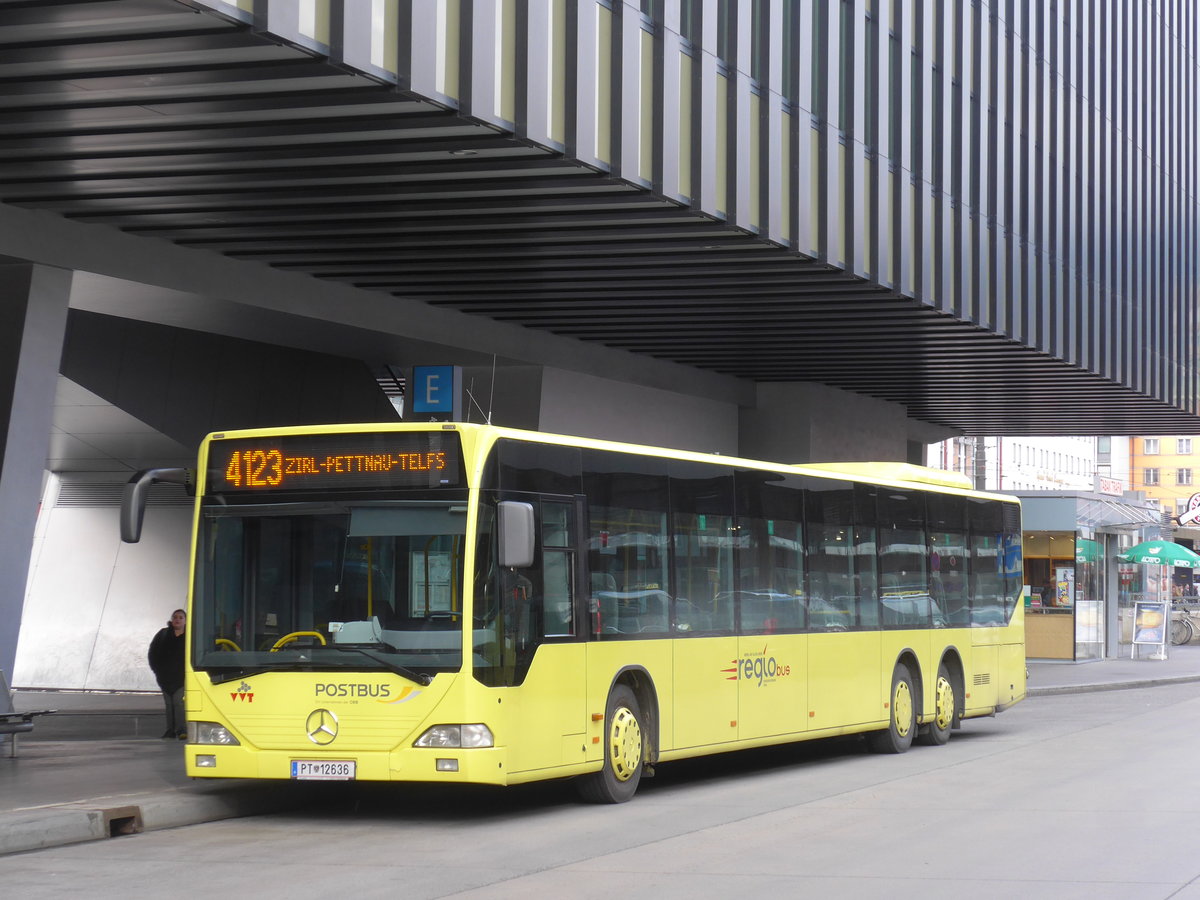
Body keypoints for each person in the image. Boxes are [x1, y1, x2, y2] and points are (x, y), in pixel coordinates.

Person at [148, 609, 187, 739]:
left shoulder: (190, 636)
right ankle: (170, 730)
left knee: (178, 703)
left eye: (181, 617)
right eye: (175, 617)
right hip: (165, 678)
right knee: (169, 705)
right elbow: (153, 653)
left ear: (185, 621)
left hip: (182, 678)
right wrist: (157, 670)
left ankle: (181, 730)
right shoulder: (163, 634)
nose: (177, 619)